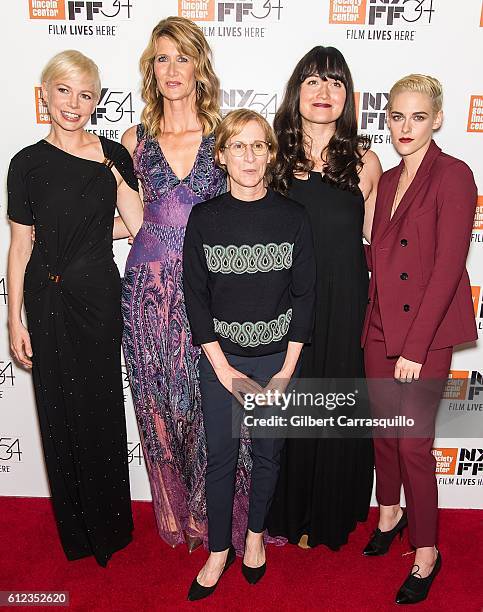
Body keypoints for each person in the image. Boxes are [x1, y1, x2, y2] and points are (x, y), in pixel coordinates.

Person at [120, 17, 252, 552]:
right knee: (158, 405)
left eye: (182, 57)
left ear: (200, 65)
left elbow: (246, 209)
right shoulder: (134, 139)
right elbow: (132, 218)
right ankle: (179, 515)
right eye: (161, 58)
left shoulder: (223, 136)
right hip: (147, 290)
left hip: (209, 290)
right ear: (151, 68)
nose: (171, 69)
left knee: (210, 404)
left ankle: (219, 516)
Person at [7, 50, 143, 566]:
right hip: (45, 299)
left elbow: (137, 223)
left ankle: (108, 529)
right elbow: (19, 246)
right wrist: (13, 316)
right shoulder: (25, 164)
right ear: (45, 92)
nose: (74, 104)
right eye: (64, 91)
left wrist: (110, 170)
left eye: (86, 94)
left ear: (96, 101)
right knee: (58, 412)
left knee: (102, 409)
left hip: (98, 296)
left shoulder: (111, 154)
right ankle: (77, 533)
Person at [183, 109, 316, 600]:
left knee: (267, 455)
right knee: (220, 456)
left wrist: (285, 372)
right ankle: (219, 548)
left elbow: (305, 296)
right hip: (220, 362)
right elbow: (195, 297)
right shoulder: (205, 218)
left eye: (258, 145)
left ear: (270, 153)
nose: (249, 156)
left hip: (276, 362)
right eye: (238, 145)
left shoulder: (292, 217)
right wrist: (223, 370)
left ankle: (255, 535)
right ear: (221, 156)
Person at [361, 74, 477, 604]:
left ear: (438, 119)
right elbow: (380, 255)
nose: (405, 127)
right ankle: (389, 514)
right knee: (384, 435)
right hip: (380, 326)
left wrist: (414, 346)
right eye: (396, 116)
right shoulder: (385, 180)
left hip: (423, 337)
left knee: (413, 445)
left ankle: (427, 550)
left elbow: (449, 267)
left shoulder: (454, 176)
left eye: (417, 117)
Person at [267, 46, 382, 550]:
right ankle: (288, 511)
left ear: (347, 97)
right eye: (313, 81)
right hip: (286, 302)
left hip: (345, 301)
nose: (324, 93)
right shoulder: (270, 155)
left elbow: (376, 243)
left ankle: (330, 511)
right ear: (297, 90)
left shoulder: (365, 161)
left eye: (335, 83)